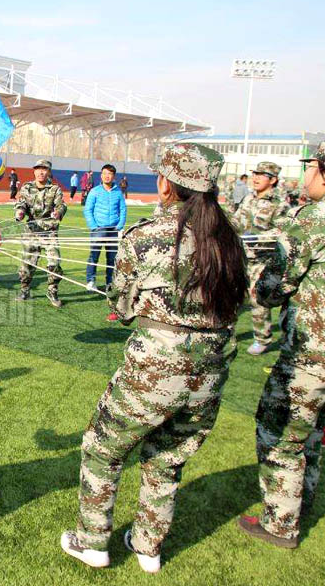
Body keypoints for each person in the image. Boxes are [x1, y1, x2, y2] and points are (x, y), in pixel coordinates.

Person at [61, 143, 248, 573]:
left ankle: (92, 541)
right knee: (167, 458)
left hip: (156, 369)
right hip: (211, 371)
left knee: (102, 448)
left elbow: (122, 307)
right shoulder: (230, 239)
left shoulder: (146, 236)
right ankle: (148, 547)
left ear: (167, 184)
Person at [238, 142, 325, 549]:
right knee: (313, 431)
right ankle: (302, 503)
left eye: (310, 167)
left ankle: (280, 522)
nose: (306, 175)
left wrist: (260, 287)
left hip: (312, 352)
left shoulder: (314, 219)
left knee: (280, 430)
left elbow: (275, 286)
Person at [231, 161, 291, 355]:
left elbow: (282, 232)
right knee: (233, 295)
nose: (255, 178)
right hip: (242, 256)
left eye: (261, 175)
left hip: (263, 260)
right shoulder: (249, 198)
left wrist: (257, 238)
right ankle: (227, 330)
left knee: (257, 299)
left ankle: (262, 339)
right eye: (254, 173)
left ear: (272, 180)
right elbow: (237, 220)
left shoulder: (279, 204)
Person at [14, 159, 67, 308]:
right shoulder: (27, 187)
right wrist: (20, 212)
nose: (41, 172)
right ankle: (25, 290)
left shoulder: (55, 189)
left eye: (44, 169)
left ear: (49, 172)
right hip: (31, 231)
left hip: (49, 231)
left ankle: (52, 291)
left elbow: (61, 205)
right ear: (34, 171)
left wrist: (58, 212)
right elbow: (21, 203)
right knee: (27, 265)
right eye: (38, 169)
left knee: (54, 262)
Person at [83, 164, 127, 304]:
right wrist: (93, 226)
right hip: (99, 229)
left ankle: (109, 283)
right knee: (94, 256)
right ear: (101, 176)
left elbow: (123, 209)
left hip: (113, 230)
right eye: (105, 173)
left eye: (110, 174)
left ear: (114, 176)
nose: (107, 176)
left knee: (112, 259)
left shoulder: (118, 192)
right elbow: (88, 210)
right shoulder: (95, 191)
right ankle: (91, 281)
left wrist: (120, 225)